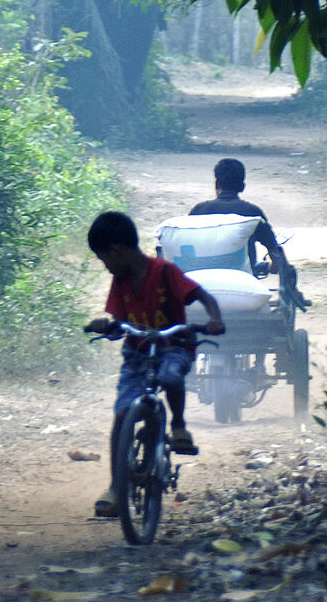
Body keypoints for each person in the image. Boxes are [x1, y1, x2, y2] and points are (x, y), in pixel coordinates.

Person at [84, 209, 225, 519]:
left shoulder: (164, 272)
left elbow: (202, 296)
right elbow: (118, 319)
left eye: (103, 258)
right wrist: (106, 325)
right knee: (122, 416)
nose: (105, 266)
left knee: (172, 376)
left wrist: (214, 318)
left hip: (174, 346)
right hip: (137, 353)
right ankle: (115, 487)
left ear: (117, 250)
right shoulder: (120, 282)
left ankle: (178, 426)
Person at [187, 157, 307, 306]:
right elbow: (274, 250)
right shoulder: (252, 212)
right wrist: (275, 263)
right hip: (243, 284)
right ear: (242, 187)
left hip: (200, 286)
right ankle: (295, 295)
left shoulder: (198, 211)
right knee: (287, 267)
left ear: (217, 184)